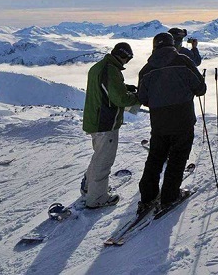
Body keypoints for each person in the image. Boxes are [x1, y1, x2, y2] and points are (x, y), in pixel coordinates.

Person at [136, 32, 206, 213]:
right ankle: (169, 197)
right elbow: (200, 89)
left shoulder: (146, 69)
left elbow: (142, 98)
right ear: (172, 45)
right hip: (183, 119)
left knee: (155, 157)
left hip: (158, 121)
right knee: (177, 158)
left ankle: (147, 196)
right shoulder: (183, 61)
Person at [81, 42, 139, 208]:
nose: (127, 62)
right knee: (104, 161)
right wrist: (137, 97)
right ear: (124, 56)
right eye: (128, 59)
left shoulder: (99, 66)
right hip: (105, 122)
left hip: (95, 119)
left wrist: (124, 87)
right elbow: (119, 99)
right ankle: (97, 198)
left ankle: (89, 188)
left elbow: (103, 88)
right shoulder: (111, 70)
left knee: (98, 155)